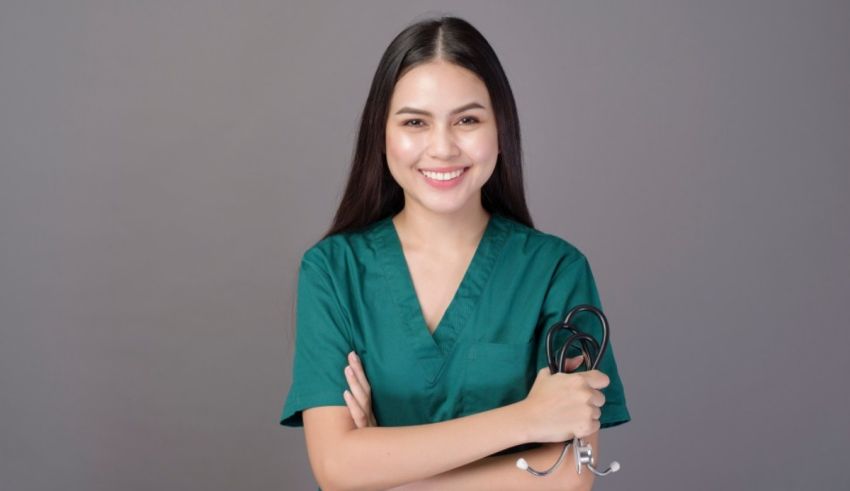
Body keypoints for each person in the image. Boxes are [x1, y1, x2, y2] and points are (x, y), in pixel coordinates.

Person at [279, 15, 631, 490]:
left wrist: (383, 472)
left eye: (467, 120)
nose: (442, 147)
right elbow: (337, 466)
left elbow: (567, 478)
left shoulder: (555, 272)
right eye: (415, 122)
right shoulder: (332, 272)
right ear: (381, 133)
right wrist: (527, 419)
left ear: (500, 128)